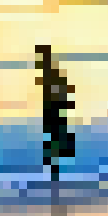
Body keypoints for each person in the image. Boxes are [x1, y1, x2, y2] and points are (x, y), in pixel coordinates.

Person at [36, 44, 76, 176]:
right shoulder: (49, 75)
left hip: (55, 112)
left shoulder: (51, 75)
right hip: (54, 111)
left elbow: (65, 91)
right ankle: (55, 168)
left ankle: (55, 168)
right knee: (55, 139)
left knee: (56, 138)